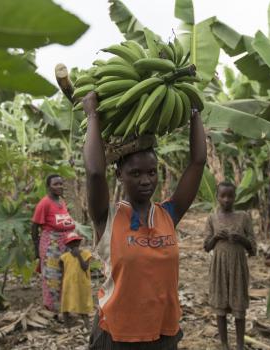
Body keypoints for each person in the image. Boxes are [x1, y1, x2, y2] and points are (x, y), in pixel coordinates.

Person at [82, 91, 207, 349]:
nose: (146, 180)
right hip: (116, 335)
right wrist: (93, 116)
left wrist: (195, 113)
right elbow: (95, 172)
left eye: (151, 172)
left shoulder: (168, 214)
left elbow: (198, 162)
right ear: (119, 174)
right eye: (135, 173)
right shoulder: (107, 218)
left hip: (162, 333)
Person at [203, 181, 256, 350]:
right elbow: (207, 246)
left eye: (230, 196)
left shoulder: (243, 217)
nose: (226, 199)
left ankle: (240, 345)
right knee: (220, 306)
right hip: (219, 266)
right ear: (217, 197)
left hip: (238, 266)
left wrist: (241, 239)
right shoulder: (212, 218)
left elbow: (253, 247)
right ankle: (224, 344)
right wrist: (216, 237)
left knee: (239, 306)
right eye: (222, 196)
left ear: (235, 197)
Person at [31, 174, 76, 312]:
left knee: (66, 274)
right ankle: (52, 308)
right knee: (52, 276)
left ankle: (65, 306)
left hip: (65, 243)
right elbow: (34, 227)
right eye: (56, 184)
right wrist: (36, 249)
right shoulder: (44, 203)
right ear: (48, 187)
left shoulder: (61, 202)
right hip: (51, 244)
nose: (60, 186)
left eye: (61, 183)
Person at [59, 231, 94, 327]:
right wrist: (61, 285)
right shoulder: (64, 257)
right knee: (66, 304)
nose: (74, 244)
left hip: (81, 285)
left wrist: (79, 255)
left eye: (76, 242)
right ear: (68, 245)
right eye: (71, 243)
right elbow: (62, 272)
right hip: (68, 285)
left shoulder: (86, 254)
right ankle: (67, 326)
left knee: (83, 304)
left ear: (79, 243)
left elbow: (85, 267)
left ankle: (87, 325)